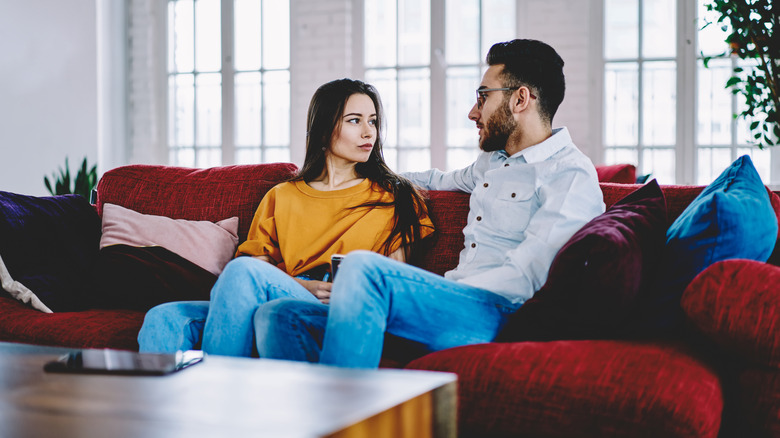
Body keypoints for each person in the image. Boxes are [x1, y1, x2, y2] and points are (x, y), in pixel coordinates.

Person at [253, 39, 606, 368]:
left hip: (501, 313)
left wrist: (442, 290)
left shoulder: (570, 175)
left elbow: (529, 277)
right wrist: (364, 179)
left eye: (482, 97)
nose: (472, 112)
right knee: (281, 314)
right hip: (451, 304)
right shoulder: (494, 163)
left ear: (520, 99)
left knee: (362, 268)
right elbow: (437, 180)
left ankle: (351, 425)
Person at [137, 78, 434, 357]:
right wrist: (304, 287)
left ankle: (219, 394)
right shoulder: (283, 195)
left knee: (243, 272)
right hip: (284, 289)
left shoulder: (394, 196)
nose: (369, 132)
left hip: (338, 305)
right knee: (162, 318)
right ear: (323, 129)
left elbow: (393, 282)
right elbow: (258, 269)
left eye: (373, 121)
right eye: (354, 121)